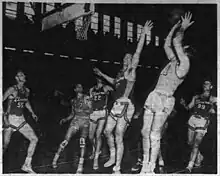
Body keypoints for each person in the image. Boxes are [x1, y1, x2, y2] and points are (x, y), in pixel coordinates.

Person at [94, 20, 153, 173]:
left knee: (119, 134)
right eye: (125, 58)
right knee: (107, 132)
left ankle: (117, 168)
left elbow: (138, 53)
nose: (127, 59)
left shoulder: (131, 72)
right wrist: (101, 74)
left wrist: (143, 34)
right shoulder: (120, 75)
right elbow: (114, 82)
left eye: (129, 58)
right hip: (117, 105)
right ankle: (113, 155)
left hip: (127, 105)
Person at [140, 12, 194, 173]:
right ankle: (144, 164)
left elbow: (176, 41)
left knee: (154, 134)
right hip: (154, 95)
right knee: (144, 132)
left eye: (183, 49)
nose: (180, 49)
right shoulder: (174, 61)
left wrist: (182, 29)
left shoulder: (184, 64)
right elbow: (167, 45)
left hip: (165, 99)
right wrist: (175, 27)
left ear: (186, 52)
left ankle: (151, 167)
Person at [52, 84, 93, 174]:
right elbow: (72, 114)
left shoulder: (87, 98)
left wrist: (84, 109)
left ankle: (80, 167)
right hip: (75, 121)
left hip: (85, 121)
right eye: (78, 87)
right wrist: (65, 119)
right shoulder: (73, 101)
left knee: (82, 142)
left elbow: (91, 110)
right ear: (74, 89)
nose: (80, 88)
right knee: (65, 141)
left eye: (81, 87)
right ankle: (55, 160)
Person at [3, 70, 38, 173]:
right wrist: (4, 118)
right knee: (4, 145)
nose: (24, 76)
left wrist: (32, 113)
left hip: (21, 119)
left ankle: (26, 165)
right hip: (11, 120)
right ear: (17, 78)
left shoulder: (26, 90)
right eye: (21, 75)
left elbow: (26, 101)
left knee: (34, 139)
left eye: (24, 74)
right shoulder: (12, 89)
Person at [180, 79, 217, 172]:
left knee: (196, 144)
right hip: (193, 119)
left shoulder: (213, 99)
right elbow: (188, 107)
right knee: (189, 142)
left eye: (208, 84)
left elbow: (215, 111)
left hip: (203, 121)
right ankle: (199, 156)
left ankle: (190, 166)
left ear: (211, 87)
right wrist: (183, 104)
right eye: (204, 83)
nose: (205, 85)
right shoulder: (196, 97)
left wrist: (213, 110)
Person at [89, 77, 113, 170]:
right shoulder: (92, 89)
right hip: (94, 112)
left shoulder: (106, 87)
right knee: (91, 136)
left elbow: (115, 89)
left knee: (98, 135)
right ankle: (96, 150)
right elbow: (91, 101)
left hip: (102, 112)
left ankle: (96, 159)